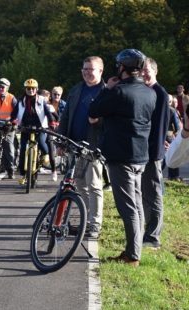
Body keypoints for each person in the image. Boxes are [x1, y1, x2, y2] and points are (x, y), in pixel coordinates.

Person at [89, 48, 156, 267]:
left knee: (127, 207)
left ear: (123, 68)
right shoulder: (150, 92)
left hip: (121, 157)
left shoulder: (118, 92)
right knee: (136, 205)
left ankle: (132, 255)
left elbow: (94, 110)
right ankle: (134, 250)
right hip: (140, 156)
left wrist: (107, 89)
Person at [58, 56, 106, 238]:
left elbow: (111, 119)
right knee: (79, 184)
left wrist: (98, 121)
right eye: (84, 69)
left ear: (100, 71)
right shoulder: (77, 89)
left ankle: (95, 224)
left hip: (93, 147)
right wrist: (62, 141)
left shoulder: (105, 92)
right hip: (74, 145)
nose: (86, 72)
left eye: (90, 69)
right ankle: (86, 219)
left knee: (94, 185)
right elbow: (66, 116)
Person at [140, 57, 170, 250]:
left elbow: (159, 128)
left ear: (155, 71)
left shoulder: (160, 93)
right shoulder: (145, 92)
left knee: (154, 194)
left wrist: (154, 154)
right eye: (141, 70)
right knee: (145, 195)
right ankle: (146, 232)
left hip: (152, 154)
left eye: (147, 70)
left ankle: (153, 237)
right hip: (141, 153)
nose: (143, 74)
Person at [12, 78, 55, 185]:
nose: (31, 90)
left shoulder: (41, 99)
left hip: (39, 127)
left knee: (41, 142)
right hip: (25, 128)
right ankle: (22, 174)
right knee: (22, 151)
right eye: (28, 88)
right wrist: (12, 121)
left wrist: (51, 122)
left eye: (33, 88)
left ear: (36, 89)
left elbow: (48, 113)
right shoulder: (21, 101)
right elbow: (14, 114)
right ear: (25, 89)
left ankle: (44, 155)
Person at [165, 95, 182, 180]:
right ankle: (173, 176)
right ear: (170, 102)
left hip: (157, 137)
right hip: (169, 136)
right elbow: (177, 127)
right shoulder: (172, 111)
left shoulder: (156, 109)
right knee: (173, 156)